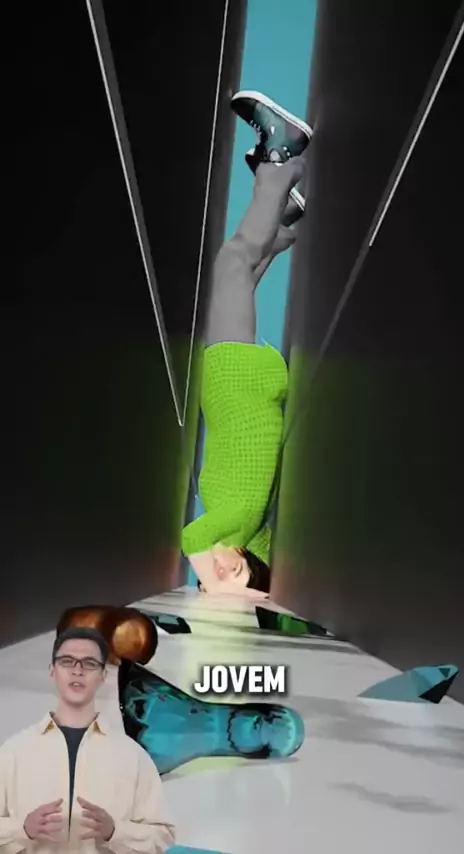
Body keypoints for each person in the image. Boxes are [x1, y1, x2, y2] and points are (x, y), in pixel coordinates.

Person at [182, 91, 313, 597]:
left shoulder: (250, 534)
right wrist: (224, 590)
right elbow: (191, 538)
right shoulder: (234, 522)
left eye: (209, 577)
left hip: (242, 387)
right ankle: (282, 158)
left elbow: (255, 565)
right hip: (236, 381)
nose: (215, 569)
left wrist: (235, 590)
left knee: (238, 280)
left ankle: (282, 220)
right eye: (227, 573)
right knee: (233, 264)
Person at [0, 627, 175, 853]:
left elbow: (162, 835)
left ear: (103, 676)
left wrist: (116, 832)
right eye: (67, 661)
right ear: (52, 671)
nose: (77, 670)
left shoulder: (133, 756)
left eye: (89, 663)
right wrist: (21, 830)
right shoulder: (14, 752)